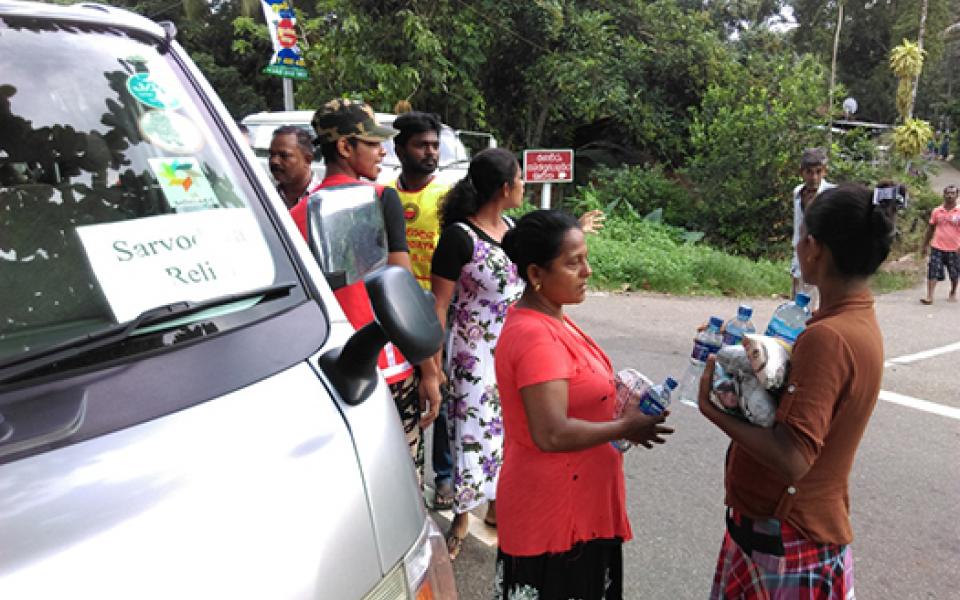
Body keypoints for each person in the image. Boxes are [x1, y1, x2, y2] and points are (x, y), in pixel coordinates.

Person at [698, 183, 897, 599]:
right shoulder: (852, 320)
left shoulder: (830, 338)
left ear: (815, 248)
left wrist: (712, 410)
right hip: (781, 536)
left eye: (801, 235)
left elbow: (793, 458)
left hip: (786, 543)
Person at [493, 209, 673, 599]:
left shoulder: (553, 318)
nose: (587, 271)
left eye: (585, 258)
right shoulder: (536, 336)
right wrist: (626, 427)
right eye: (573, 263)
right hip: (557, 517)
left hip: (581, 505)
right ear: (536, 274)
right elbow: (551, 432)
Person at [288, 98, 442, 485]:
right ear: (345, 147)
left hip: (334, 372)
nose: (382, 151)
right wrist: (430, 370)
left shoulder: (294, 216)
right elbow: (401, 294)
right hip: (389, 370)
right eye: (372, 143)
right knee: (404, 481)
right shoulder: (379, 199)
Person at [429, 147, 525, 559]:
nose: (524, 185)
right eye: (520, 179)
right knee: (470, 431)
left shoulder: (514, 228)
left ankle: (497, 507)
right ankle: (462, 518)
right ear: (505, 187)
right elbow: (438, 306)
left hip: (512, 348)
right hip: (471, 352)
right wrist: (432, 368)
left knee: (506, 431)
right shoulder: (458, 237)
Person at [387, 110, 456, 510]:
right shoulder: (384, 193)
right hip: (396, 311)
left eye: (434, 145)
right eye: (421, 145)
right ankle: (405, 473)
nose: (430, 153)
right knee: (403, 396)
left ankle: (444, 476)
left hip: (438, 308)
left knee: (439, 391)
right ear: (399, 149)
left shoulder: (448, 197)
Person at [791, 147, 836, 303]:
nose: (814, 177)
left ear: (825, 172)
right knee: (795, 310)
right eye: (809, 172)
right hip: (799, 259)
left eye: (818, 171)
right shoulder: (797, 193)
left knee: (815, 311)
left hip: (822, 262)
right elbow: (798, 229)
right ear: (801, 172)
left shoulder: (832, 194)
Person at [920, 184, 960, 304]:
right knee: (933, 270)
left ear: (957, 195)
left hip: (955, 248)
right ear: (943, 195)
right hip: (937, 246)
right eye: (947, 193)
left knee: (954, 273)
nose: (950, 195)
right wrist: (924, 245)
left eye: (953, 193)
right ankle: (929, 296)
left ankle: (953, 291)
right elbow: (930, 229)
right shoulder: (937, 211)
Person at [268, 125, 318, 209]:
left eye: (284, 155)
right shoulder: (264, 191)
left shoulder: (324, 197)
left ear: (307, 159)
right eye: (271, 154)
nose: (274, 161)